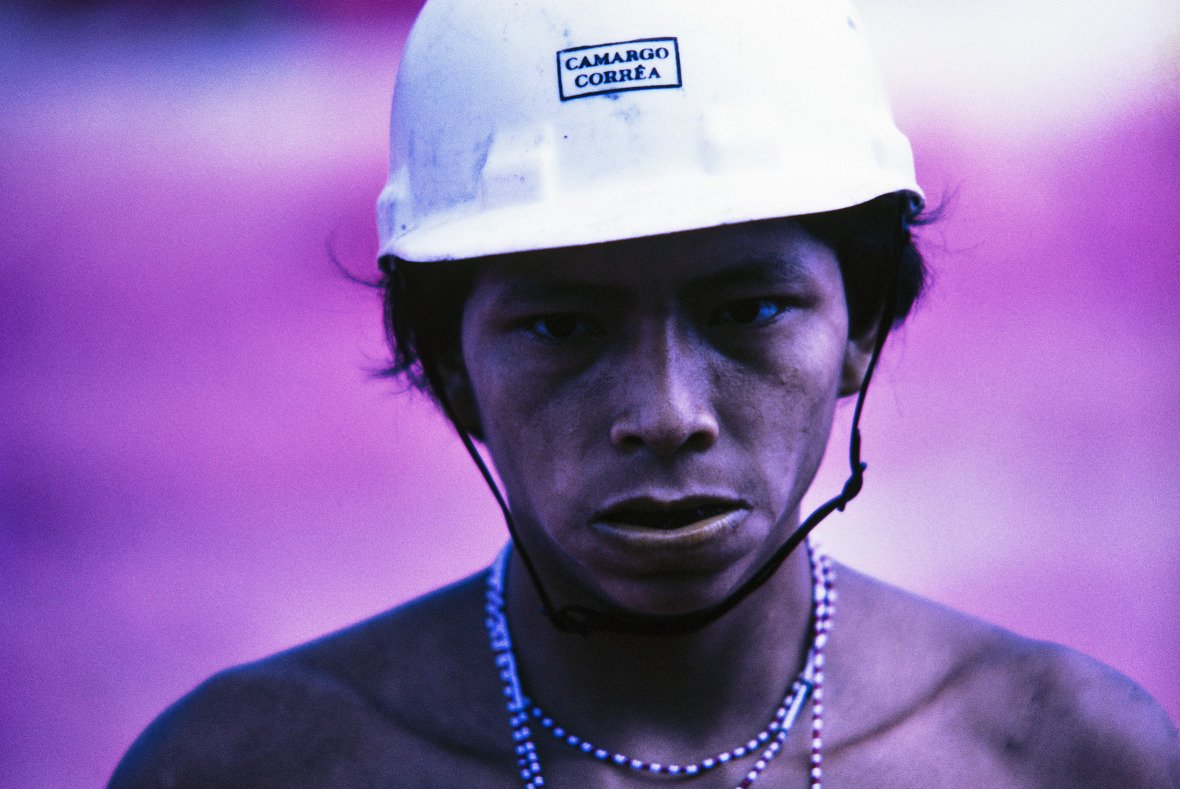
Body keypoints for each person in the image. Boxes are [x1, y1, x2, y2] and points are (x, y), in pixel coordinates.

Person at [108, 0, 1180, 786]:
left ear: (859, 328)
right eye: (564, 327)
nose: (667, 415)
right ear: (447, 369)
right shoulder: (250, 769)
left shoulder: (1068, 757)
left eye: (747, 312)